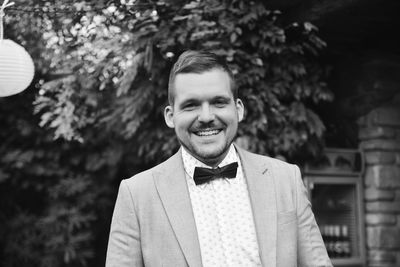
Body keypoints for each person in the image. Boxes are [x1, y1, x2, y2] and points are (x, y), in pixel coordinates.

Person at [106, 50, 332, 267]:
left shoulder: (286, 180)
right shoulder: (136, 195)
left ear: (239, 109)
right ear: (170, 116)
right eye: (191, 105)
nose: (206, 117)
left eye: (218, 102)